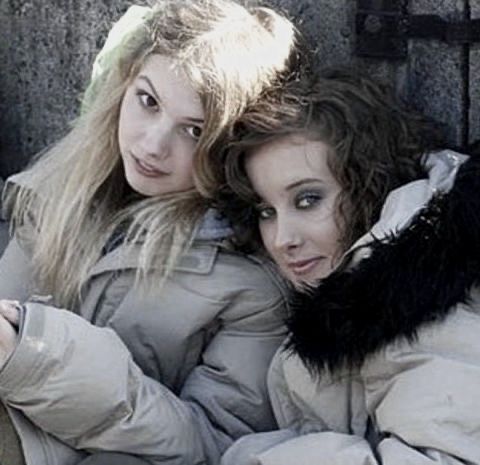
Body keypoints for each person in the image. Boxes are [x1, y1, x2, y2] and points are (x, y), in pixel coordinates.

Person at [0, 1, 304, 464]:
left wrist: (37, 355)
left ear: (230, 147)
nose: (151, 145)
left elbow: (215, 447)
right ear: (125, 82)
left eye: (193, 130)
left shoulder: (251, 281)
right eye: (148, 101)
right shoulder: (57, 192)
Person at [217, 68, 480, 464]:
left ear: (367, 185)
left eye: (308, 199)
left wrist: (262, 458)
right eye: (266, 210)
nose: (281, 238)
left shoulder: (424, 305)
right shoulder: (357, 302)